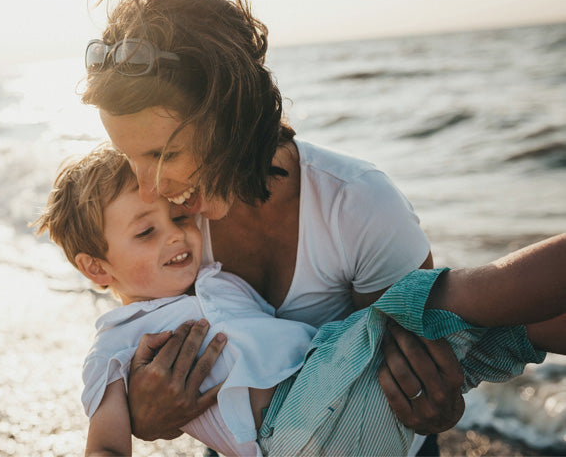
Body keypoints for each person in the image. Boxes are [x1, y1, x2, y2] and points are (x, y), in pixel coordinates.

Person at [80, 0, 465, 454]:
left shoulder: (359, 206)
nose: (148, 188)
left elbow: (415, 372)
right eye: (128, 158)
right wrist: (145, 414)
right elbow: (144, 336)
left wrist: (439, 405)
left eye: (164, 154)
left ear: (231, 116)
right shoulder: (170, 223)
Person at [34, 144, 565, 457]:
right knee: (444, 301)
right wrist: (142, 419)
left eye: (177, 218)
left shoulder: (216, 281)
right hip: (291, 430)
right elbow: (104, 444)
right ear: (96, 268)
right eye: (145, 233)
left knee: (507, 334)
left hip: (348, 411)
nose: (177, 236)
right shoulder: (117, 342)